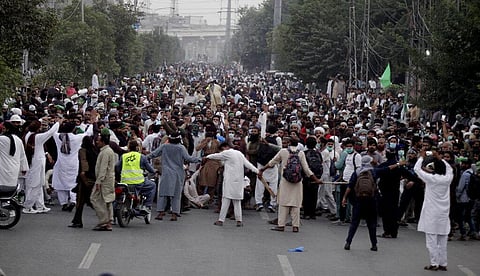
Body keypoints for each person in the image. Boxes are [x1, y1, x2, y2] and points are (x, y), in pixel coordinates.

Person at [342, 156, 406, 251]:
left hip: (359, 200)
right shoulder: (374, 171)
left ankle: (348, 242)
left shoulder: (357, 172)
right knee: (371, 223)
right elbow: (388, 168)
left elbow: (350, 186)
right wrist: (398, 164)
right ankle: (374, 244)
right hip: (371, 200)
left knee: (354, 222)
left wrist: (344, 198)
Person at [260, 138, 322, 232]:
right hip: (297, 182)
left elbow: (272, 162)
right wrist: (316, 180)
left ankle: (281, 225)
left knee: (283, 203)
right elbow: (306, 169)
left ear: (289, 143)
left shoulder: (283, 151)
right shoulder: (301, 153)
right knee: (296, 204)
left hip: (285, 181)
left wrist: (262, 170)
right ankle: (295, 226)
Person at [414, 150, 453, 271]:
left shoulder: (431, 179)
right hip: (443, 213)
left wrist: (421, 157)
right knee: (442, 240)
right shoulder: (447, 179)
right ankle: (443, 263)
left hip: (432, 213)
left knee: (431, 240)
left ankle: (434, 263)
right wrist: (440, 159)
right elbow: (449, 168)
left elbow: (417, 169)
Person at [148, 132, 201, 221]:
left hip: (166, 173)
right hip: (178, 173)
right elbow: (188, 158)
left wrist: (144, 157)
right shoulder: (181, 148)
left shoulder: (164, 146)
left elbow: (153, 154)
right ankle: (174, 214)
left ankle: (161, 213)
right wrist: (199, 159)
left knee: (163, 193)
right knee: (176, 194)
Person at [208, 142, 259, 227]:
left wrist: (207, 157)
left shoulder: (228, 153)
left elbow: (216, 156)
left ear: (225, 147)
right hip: (238, 181)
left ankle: (221, 220)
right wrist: (257, 171)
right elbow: (248, 164)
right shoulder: (239, 154)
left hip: (229, 181)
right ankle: (239, 220)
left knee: (225, 200)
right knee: (237, 201)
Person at [22, 118, 60, 214]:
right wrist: (58, 122)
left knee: (39, 184)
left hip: (35, 161)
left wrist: (43, 118)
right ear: (38, 128)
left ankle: (40, 205)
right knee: (34, 184)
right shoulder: (37, 137)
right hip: (36, 162)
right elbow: (50, 132)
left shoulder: (28, 135)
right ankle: (28, 206)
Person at [52, 121, 92, 211]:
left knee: (60, 184)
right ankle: (73, 201)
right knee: (73, 183)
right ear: (73, 129)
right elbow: (88, 133)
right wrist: (92, 124)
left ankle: (64, 203)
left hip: (61, 164)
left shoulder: (58, 137)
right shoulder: (78, 138)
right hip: (74, 164)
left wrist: (58, 122)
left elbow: (52, 131)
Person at [116, 140, 156, 212]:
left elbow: (117, 168)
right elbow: (150, 169)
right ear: (137, 148)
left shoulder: (123, 156)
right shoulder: (142, 157)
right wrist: (155, 171)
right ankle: (146, 206)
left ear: (128, 147)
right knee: (152, 186)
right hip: (138, 183)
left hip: (125, 182)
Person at [69, 136, 98, 228]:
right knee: (92, 200)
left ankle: (77, 220)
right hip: (93, 177)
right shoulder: (95, 151)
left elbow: (83, 162)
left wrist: (83, 175)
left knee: (80, 201)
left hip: (85, 178)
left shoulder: (83, 150)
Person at [91, 131, 117, 231]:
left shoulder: (106, 152)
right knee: (107, 201)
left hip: (104, 180)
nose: (97, 142)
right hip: (108, 180)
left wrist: (99, 181)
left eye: (98, 141)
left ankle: (104, 221)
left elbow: (103, 168)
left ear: (103, 142)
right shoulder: (106, 151)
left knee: (95, 199)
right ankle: (108, 222)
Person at [0, 122, 29, 189]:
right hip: (15, 168)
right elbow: (22, 155)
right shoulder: (18, 139)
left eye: (3, 129)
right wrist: (23, 168)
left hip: (3, 168)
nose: (2, 130)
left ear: (7, 129)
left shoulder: (2, 139)